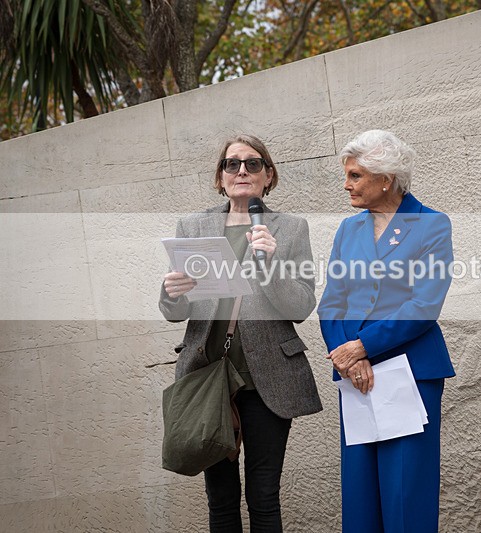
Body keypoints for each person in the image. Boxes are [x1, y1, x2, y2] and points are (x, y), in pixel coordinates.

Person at [159, 134, 322, 532]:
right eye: (232, 164)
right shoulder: (193, 225)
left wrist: (269, 265)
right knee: (221, 499)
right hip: (208, 375)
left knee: (264, 496)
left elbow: (301, 306)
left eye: (253, 163)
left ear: (268, 175)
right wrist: (171, 293)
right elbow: (174, 310)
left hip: (267, 378)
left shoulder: (290, 228)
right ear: (221, 177)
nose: (242, 171)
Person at [317, 129, 455, 533]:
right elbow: (332, 301)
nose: (347, 184)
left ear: (385, 179)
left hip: (411, 375)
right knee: (360, 498)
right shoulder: (348, 230)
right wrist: (344, 354)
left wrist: (361, 347)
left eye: (355, 175)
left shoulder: (431, 225)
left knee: (405, 496)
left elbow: (424, 306)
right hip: (354, 377)